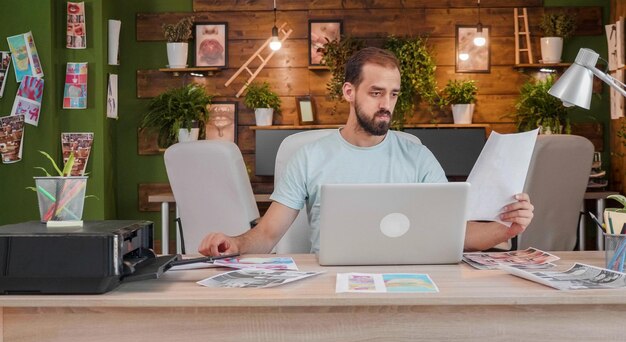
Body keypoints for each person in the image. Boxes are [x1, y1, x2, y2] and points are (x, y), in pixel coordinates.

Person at [199, 47, 534, 256]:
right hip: (330, 287)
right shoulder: (309, 157)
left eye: (393, 94)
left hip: (408, 284)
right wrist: (236, 243)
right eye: (376, 93)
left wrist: (506, 230)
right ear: (349, 91)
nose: (386, 105)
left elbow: (455, 233)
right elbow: (268, 234)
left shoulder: (418, 158)